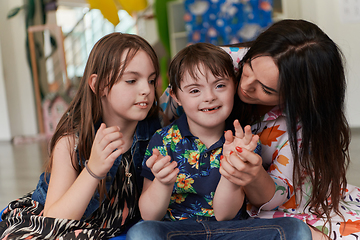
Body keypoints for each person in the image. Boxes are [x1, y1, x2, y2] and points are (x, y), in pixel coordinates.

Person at [160, 19, 360, 239]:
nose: (245, 86)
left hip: (269, 200)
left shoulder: (298, 126)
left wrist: (253, 176)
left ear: (295, 98)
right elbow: (166, 110)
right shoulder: (218, 64)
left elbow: (274, 197)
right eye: (247, 70)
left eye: (265, 89)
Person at [126, 42, 312, 240]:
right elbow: (148, 215)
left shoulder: (244, 142)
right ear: (176, 96)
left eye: (220, 85)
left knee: (296, 229)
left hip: (231, 232)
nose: (209, 97)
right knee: (141, 233)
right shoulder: (162, 140)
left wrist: (231, 169)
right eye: (195, 91)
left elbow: (225, 215)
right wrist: (162, 183)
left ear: (234, 86)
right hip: (179, 232)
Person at [0, 32, 162, 239]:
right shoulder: (71, 140)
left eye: (151, 80)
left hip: (110, 227)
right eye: (131, 80)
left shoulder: (156, 126)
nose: (146, 90)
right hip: (59, 222)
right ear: (98, 85)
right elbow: (53, 218)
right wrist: (93, 170)